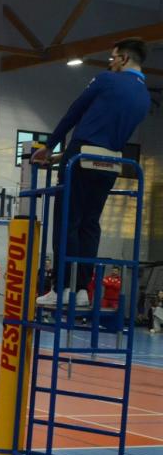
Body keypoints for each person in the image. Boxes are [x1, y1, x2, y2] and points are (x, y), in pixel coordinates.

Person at [35, 38, 150, 308]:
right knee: (90, 223)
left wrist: (49, 146)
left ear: (123, 58)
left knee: (67, 220)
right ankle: (82, 290)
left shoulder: (107, 80)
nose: (110, 63)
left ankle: (61, 287)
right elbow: (105, 132)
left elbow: (74, 112)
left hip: (80, 156)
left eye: (112, 58)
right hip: (111, 162)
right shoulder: (145, 97)